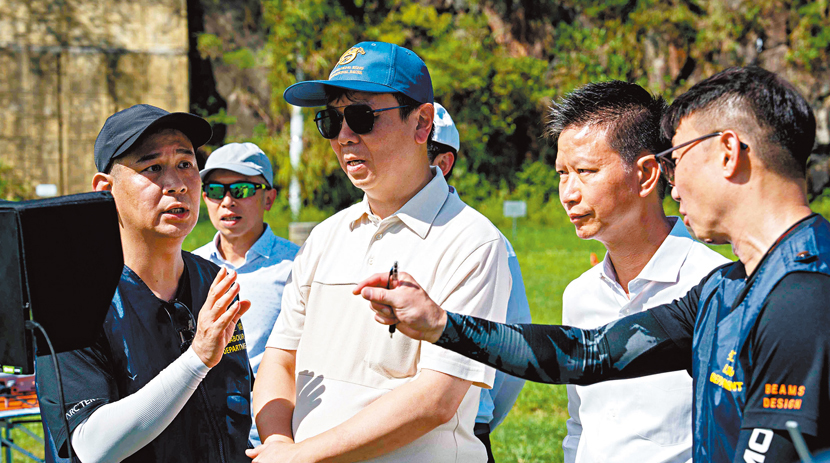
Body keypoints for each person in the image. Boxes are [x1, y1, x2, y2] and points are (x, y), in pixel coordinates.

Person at [355, 66, 830, 463]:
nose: (671, 176)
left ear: (729, 153)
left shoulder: (805, 297)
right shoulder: (731, 287)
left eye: (676, 156)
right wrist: (441, 325)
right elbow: (589, 354)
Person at [250, 42, 510, 463]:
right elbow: (279, 361)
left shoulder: (472, 242)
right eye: (331, 120)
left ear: (422, 123)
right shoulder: (325, 236)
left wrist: (302, 455)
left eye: (361, 116)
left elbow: (437, 398)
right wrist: (279, 442)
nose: (344, 136)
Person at [36, 104, 254, 462]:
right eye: (153, 168)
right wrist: (197, 358)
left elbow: (235, 397)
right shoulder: (72, 301)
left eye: (186, 164)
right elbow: (92, 446)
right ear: (105, 189)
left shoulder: (211, 281)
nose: (177, 185)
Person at [544, 82, 728, 463]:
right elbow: (580, 424)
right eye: (562, 173)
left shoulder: (717, 286)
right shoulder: (579, 296)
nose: (568, 193)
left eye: (585, 171)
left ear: (646, 174)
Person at [429, 102, 533, 462]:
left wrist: (479, 418)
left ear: (443, 164)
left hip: (461, 435)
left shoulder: (483, 240)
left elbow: (513, 352)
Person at [193, 142, 300, 446]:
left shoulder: (297, 266)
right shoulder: (189, 266)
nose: (227, 201)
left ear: (269, 198)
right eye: (215, 190)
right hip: (204, 436)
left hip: (274, 438)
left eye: (241, 190)